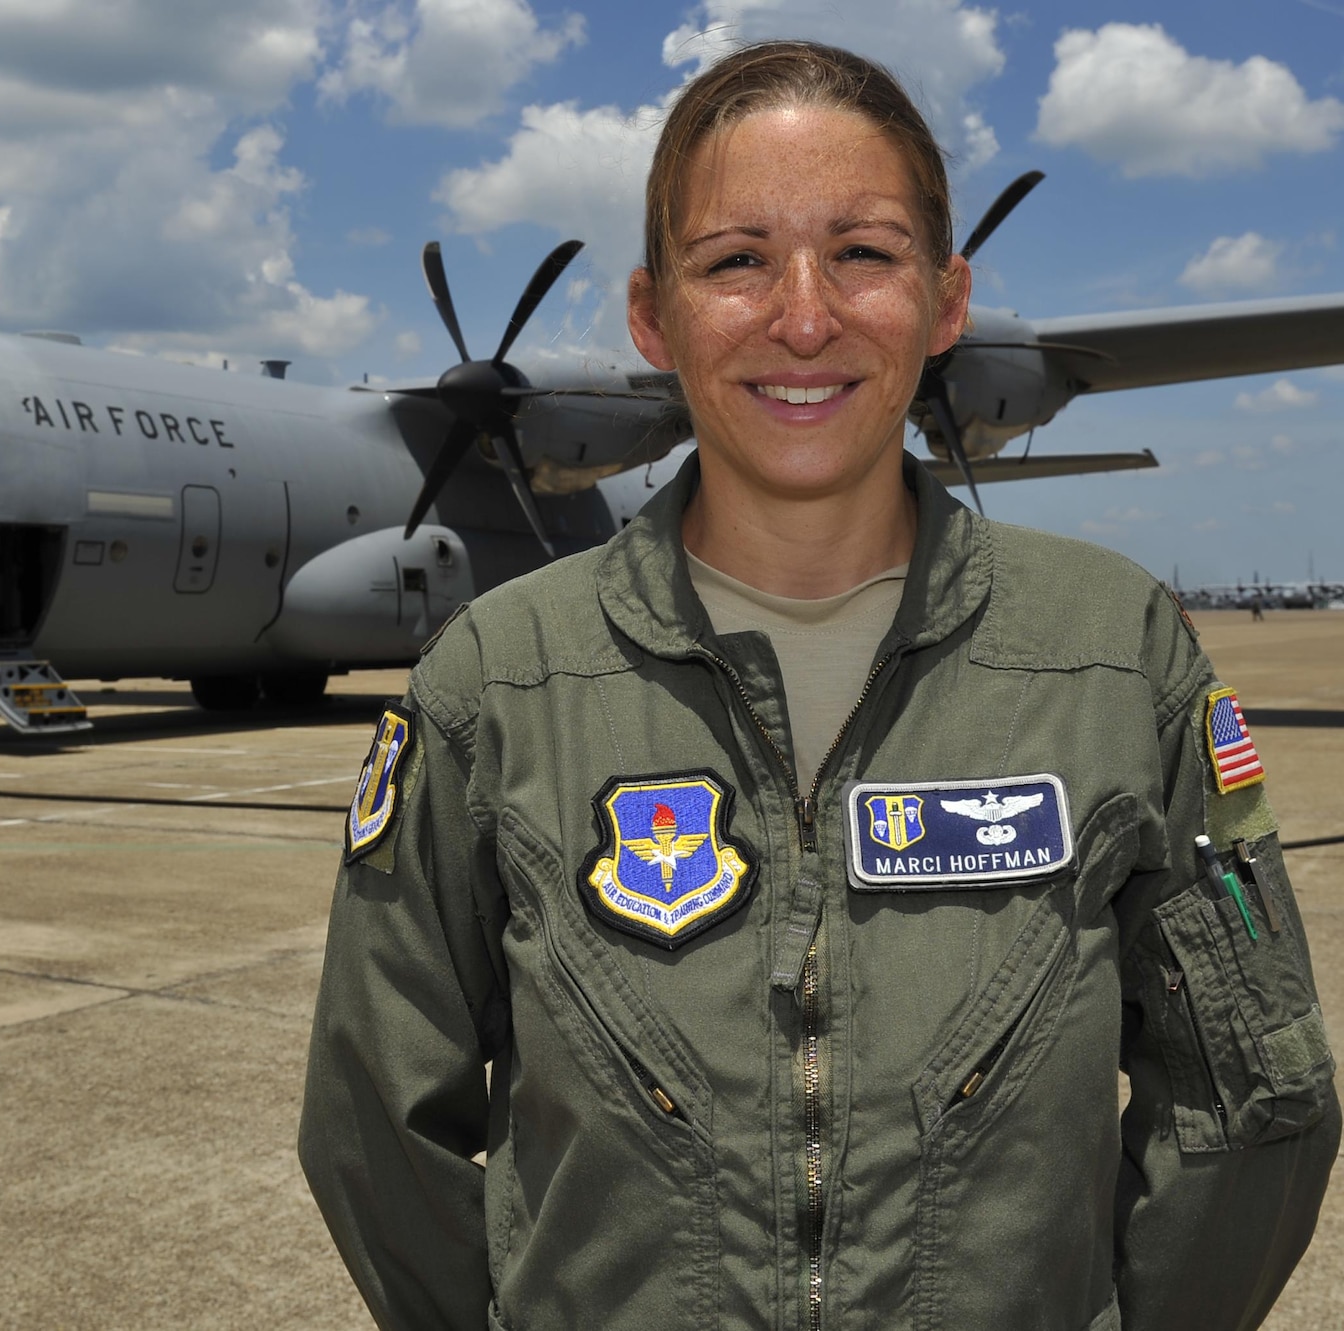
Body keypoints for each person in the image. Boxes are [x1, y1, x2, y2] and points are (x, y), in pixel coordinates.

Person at [299, 39, 1336, 1331]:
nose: (804, 316)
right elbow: (370, 1118)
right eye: (735, 260)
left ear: (948, 304)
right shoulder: (492, 682)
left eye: (865, 252)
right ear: (650, 315)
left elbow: (1255, 1097)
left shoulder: (1116, 651)